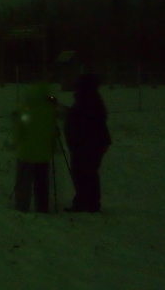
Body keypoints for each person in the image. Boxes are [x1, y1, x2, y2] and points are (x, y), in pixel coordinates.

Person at [64, 73, 111, 213]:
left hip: (88, 144)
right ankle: (88, 203)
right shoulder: (91, 99)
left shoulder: (88, 100)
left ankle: (88, 203)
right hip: (90, 143)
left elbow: (83, 119)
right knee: (87, 173)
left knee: (84, 173)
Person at [11, 82, 58, 213]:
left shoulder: (27, 109)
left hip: (26, 153)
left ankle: (22, 207)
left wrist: (16, 142)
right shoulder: (49, 109)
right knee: (42, 184)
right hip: (43, 154)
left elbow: (20, 128)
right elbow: (52, 130)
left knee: (23, 184)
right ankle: (42, 207)